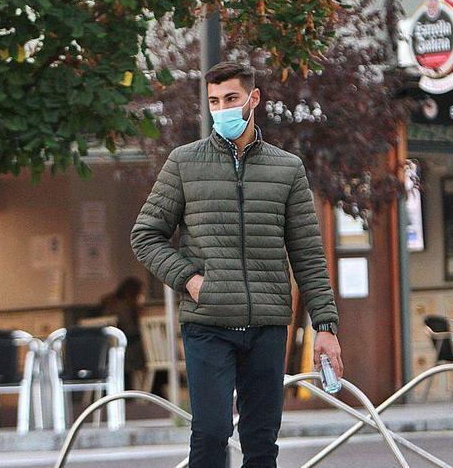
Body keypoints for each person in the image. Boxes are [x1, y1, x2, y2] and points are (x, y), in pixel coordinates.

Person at [131, 61, 342, 467]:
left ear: (254, 99)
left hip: (266, 325)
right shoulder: (184, 163)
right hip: (208, 323)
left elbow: (308, 256)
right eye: (214, 101)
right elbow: (145, 235)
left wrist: (326, 327)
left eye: (231, 99)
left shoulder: (286, 169)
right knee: (210, 435)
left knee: (261, 443)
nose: (223, 109)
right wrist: (190, 280)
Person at [99, 277, 147, 389]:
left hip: (108, 351)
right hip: (126, 351)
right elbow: (130, 331)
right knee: (155, 354)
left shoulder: (112, 304)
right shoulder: (124, 307)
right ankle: (154, 392)